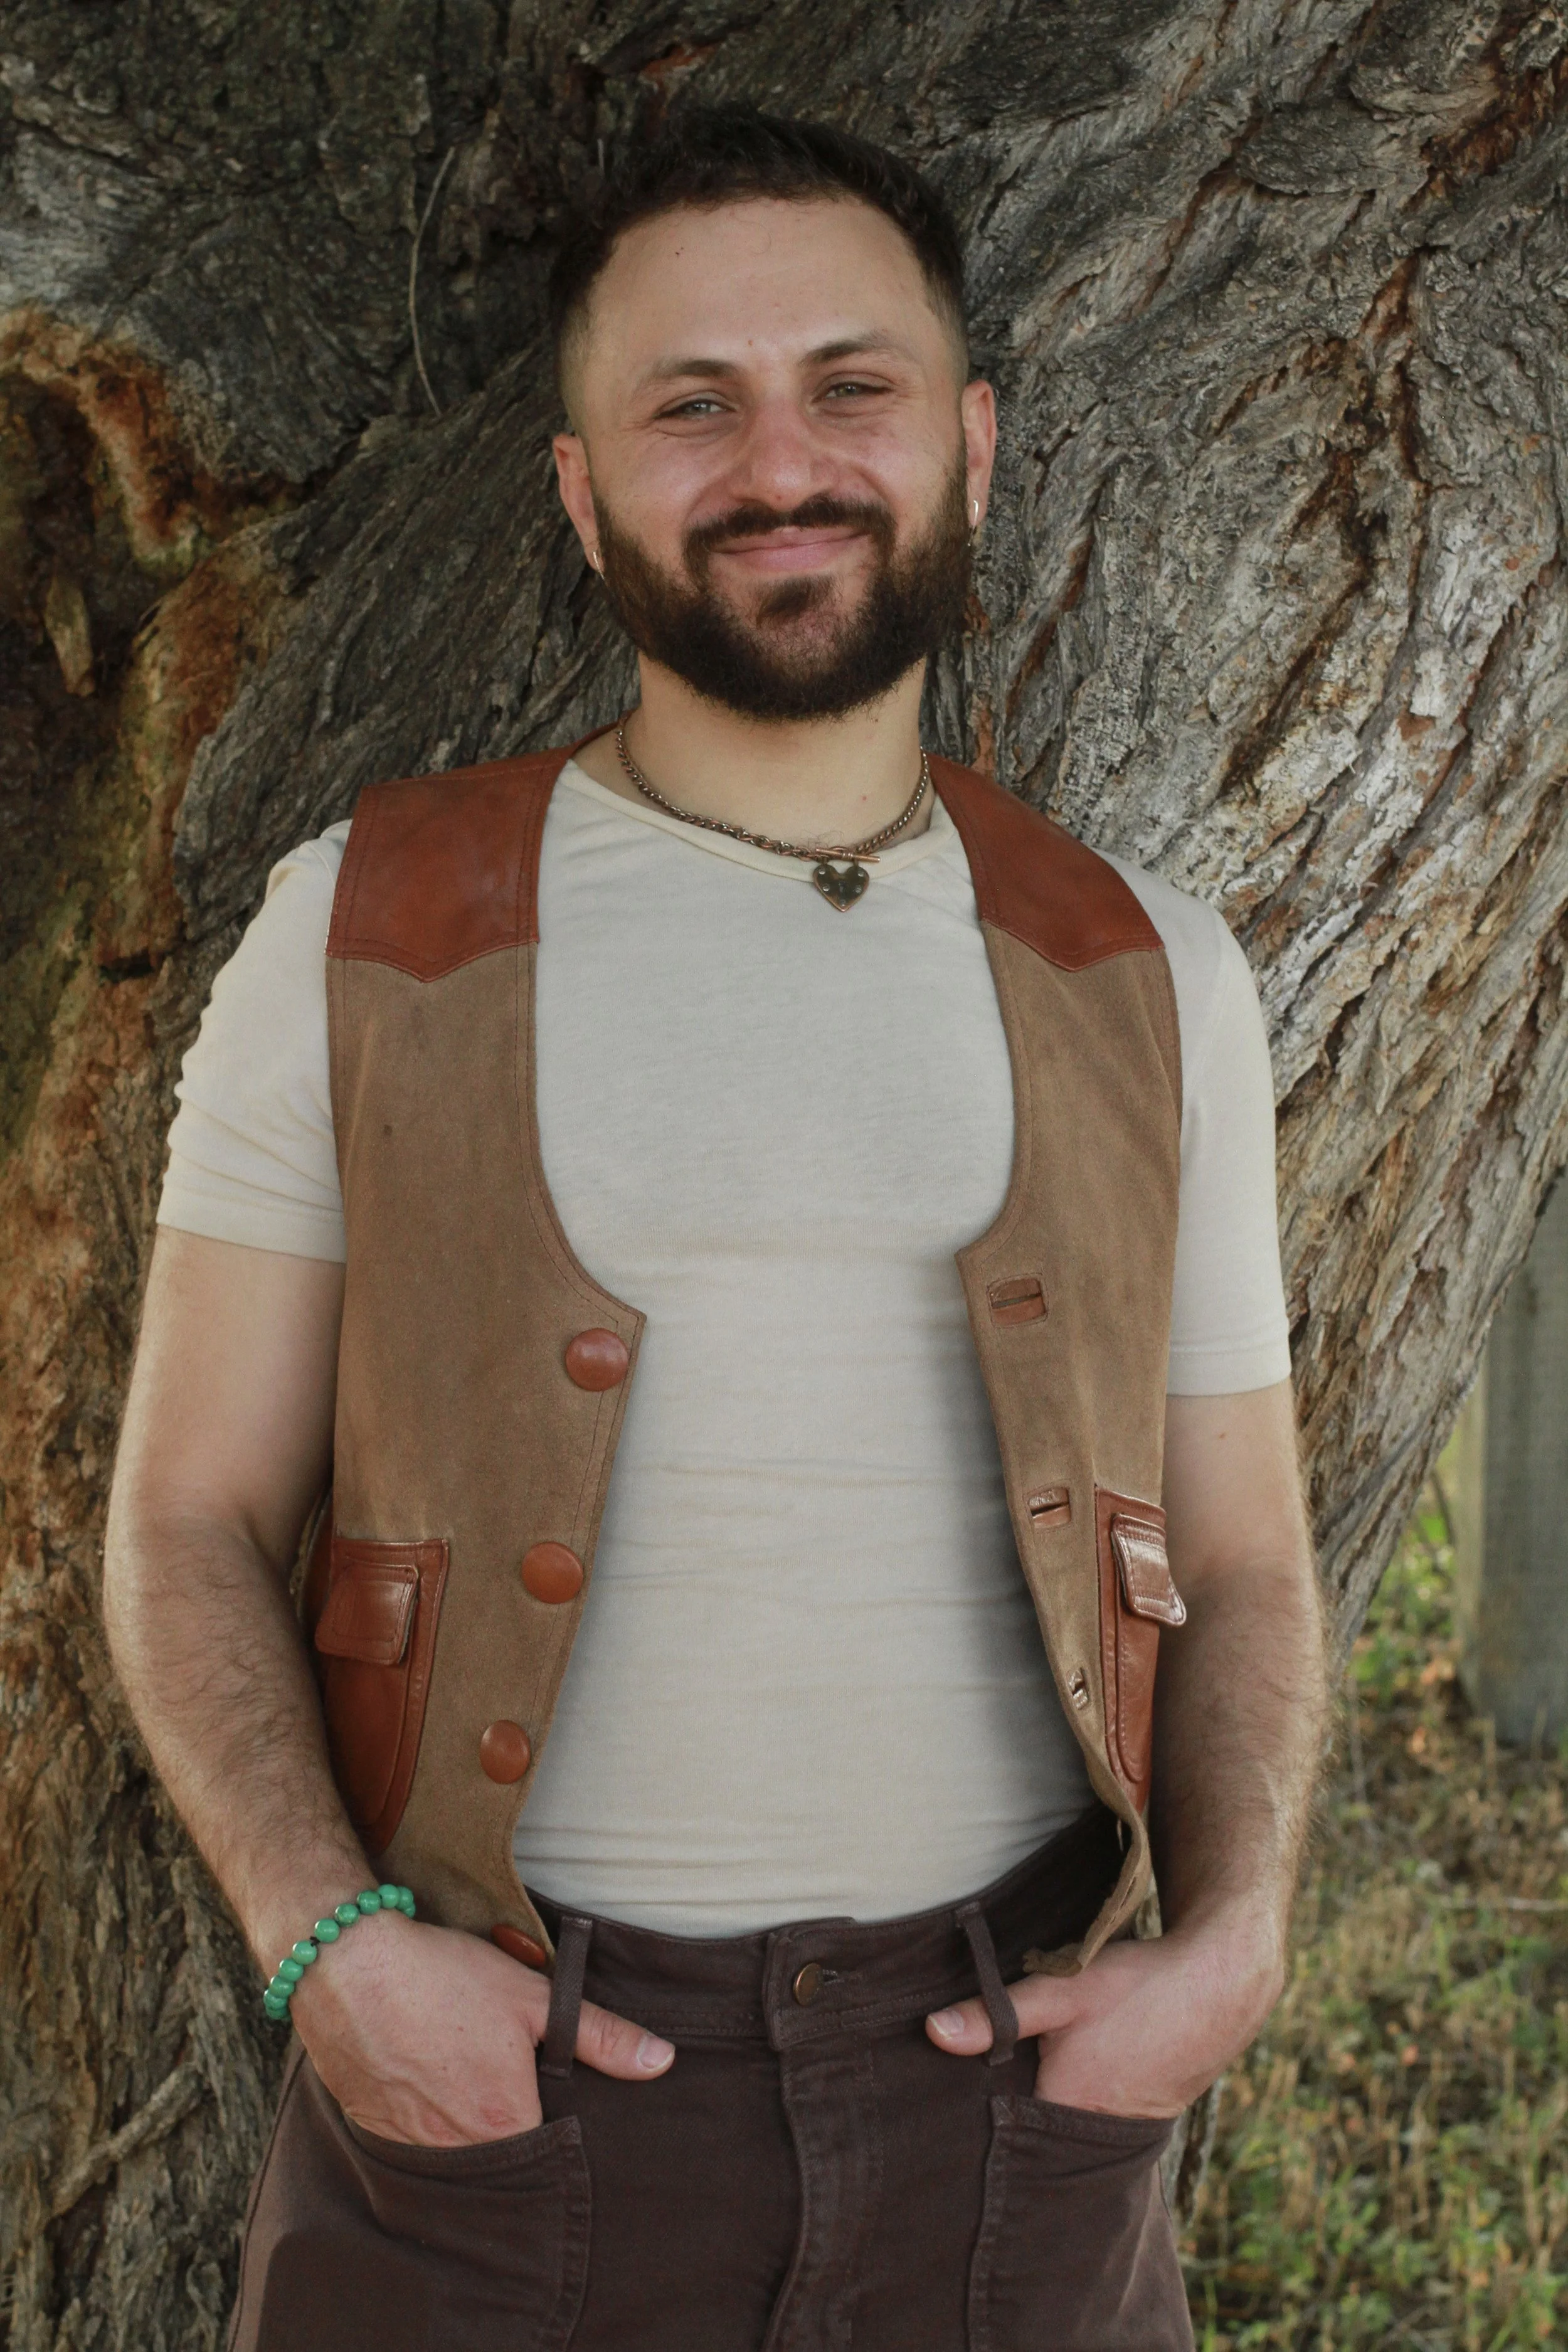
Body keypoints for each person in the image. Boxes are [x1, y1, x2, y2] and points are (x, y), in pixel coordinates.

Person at [104, 105, 1326, 2352]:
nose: (782, 459)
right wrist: (327, 1953)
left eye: (848, 385)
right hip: (487, 2133)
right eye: (691, 404)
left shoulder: (1152, 971)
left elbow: (1242, 1554)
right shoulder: (364, 930)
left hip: (1015, 2136)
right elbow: (184, 1517)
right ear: (581, 491)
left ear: (963, 438)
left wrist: (1231, 1935)